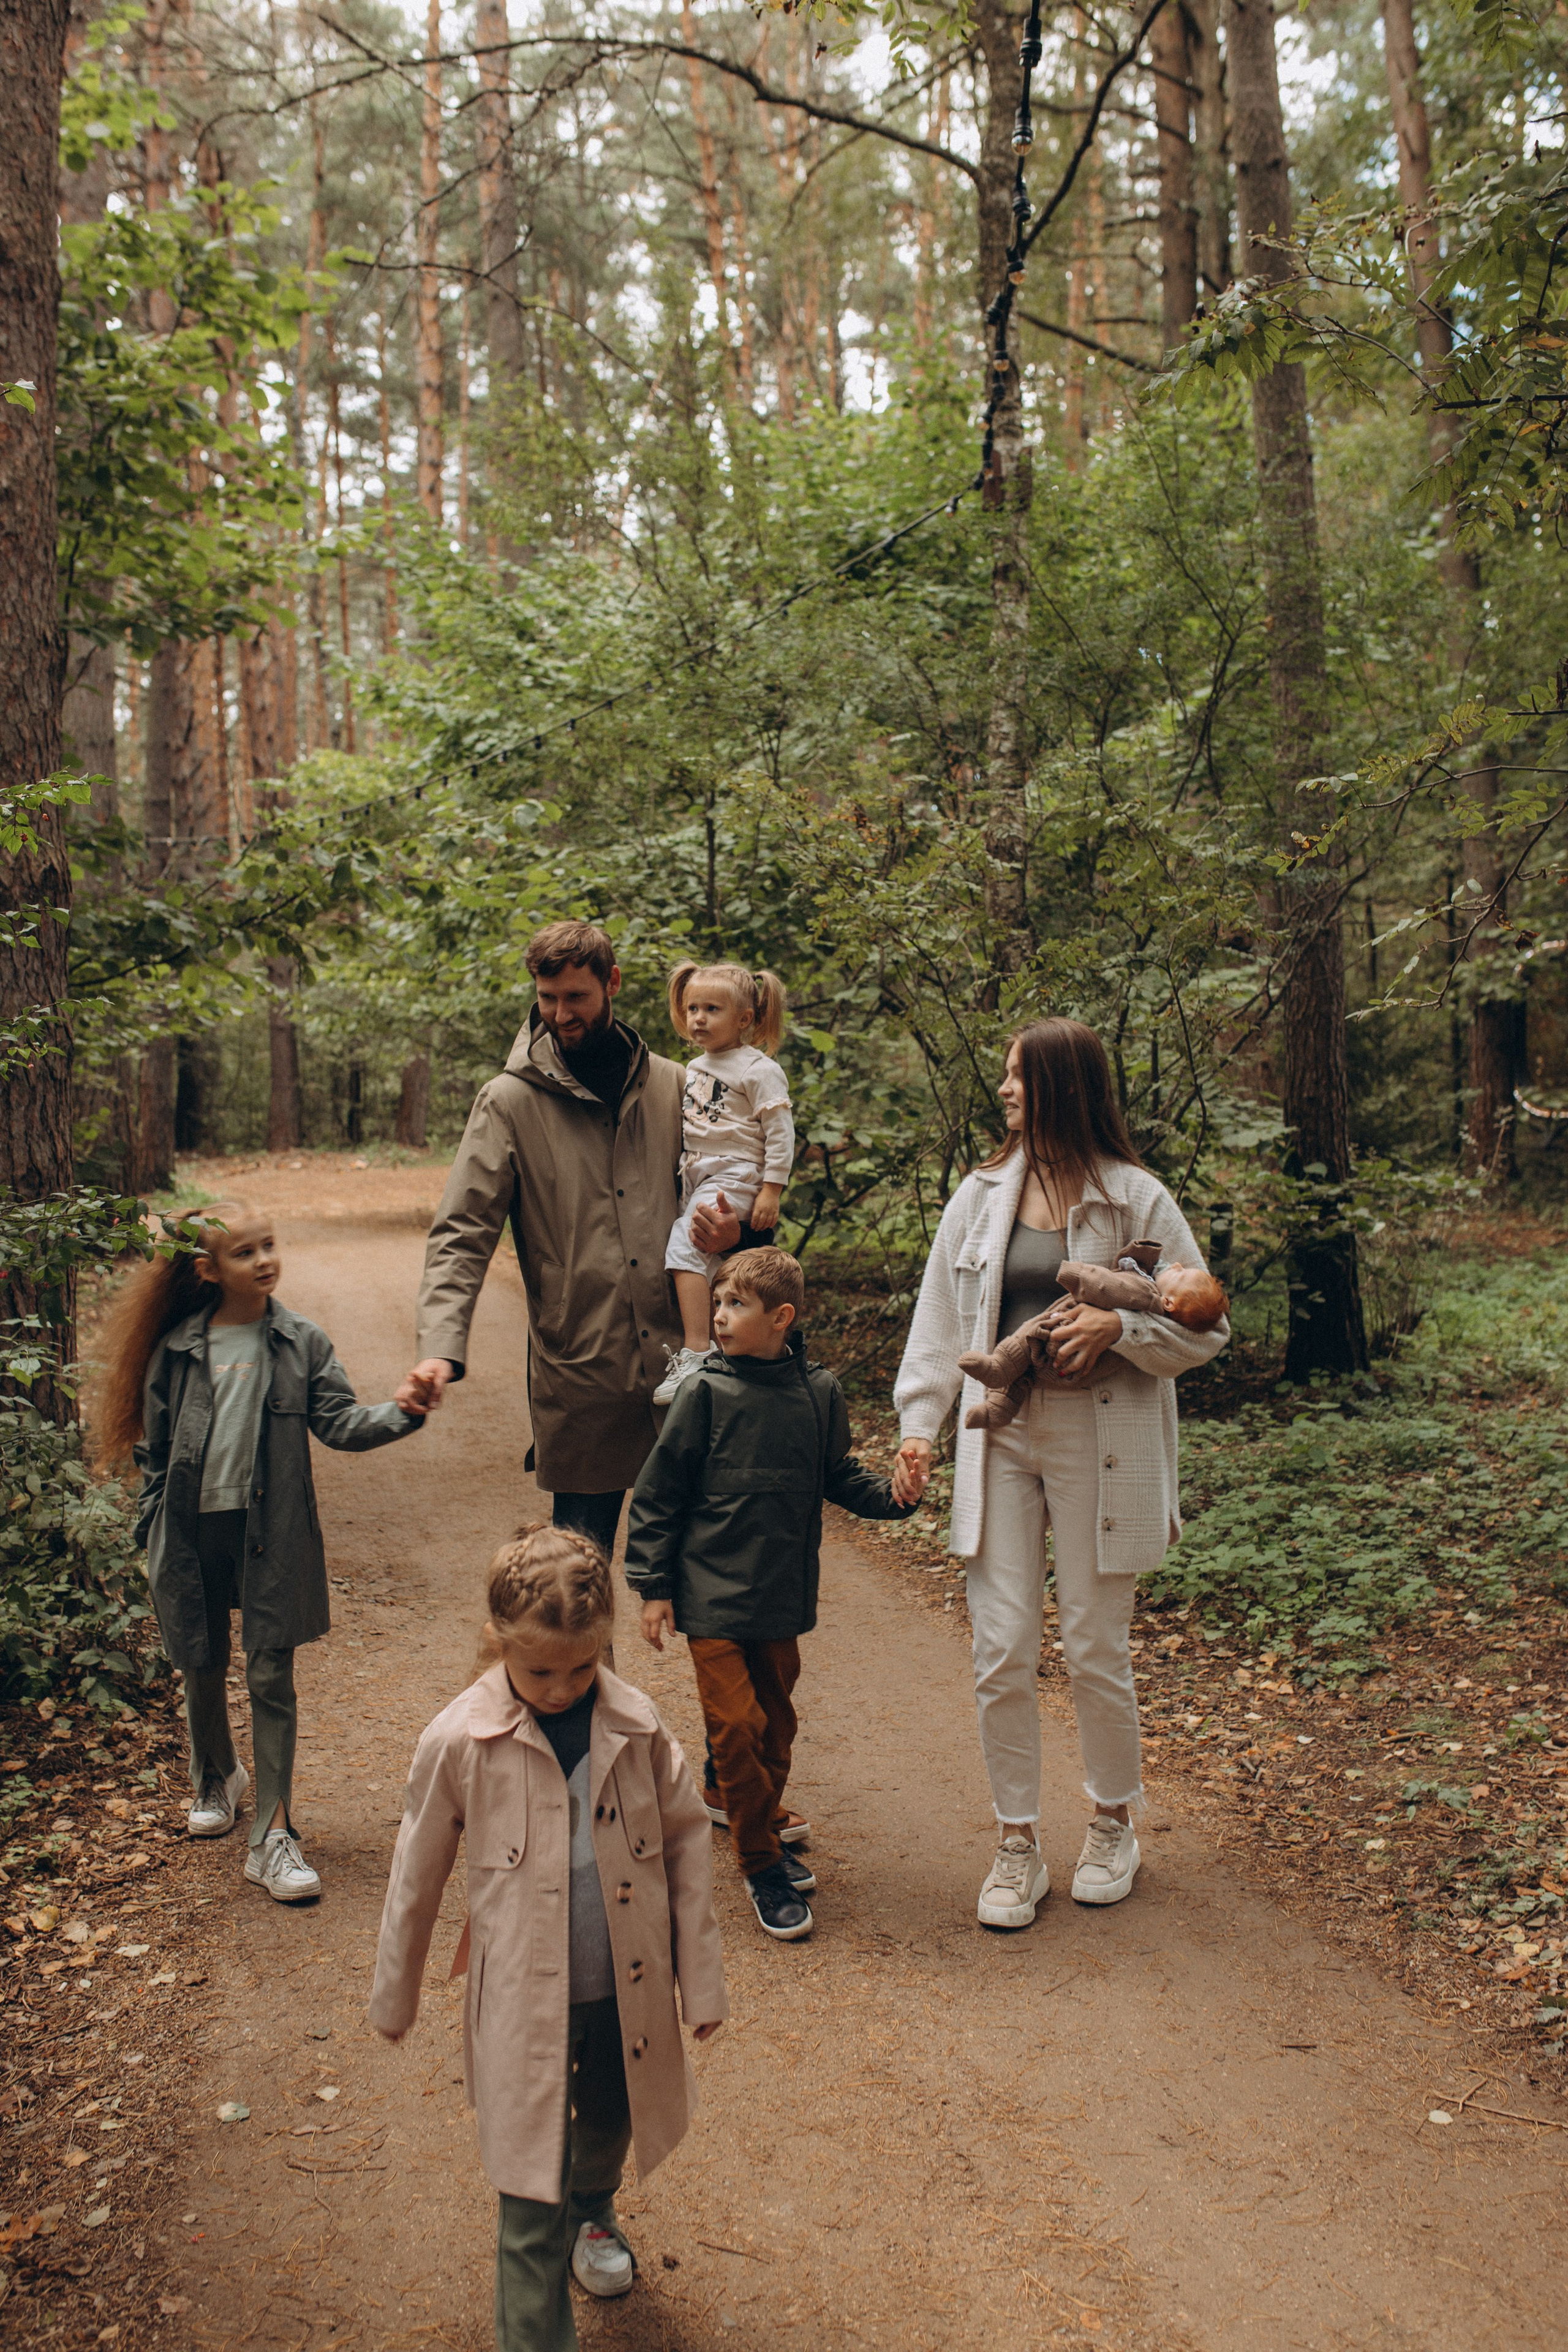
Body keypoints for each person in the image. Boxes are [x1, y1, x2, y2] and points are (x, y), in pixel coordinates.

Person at [892, 1020, 1229, 1931]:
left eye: (1018, 1077)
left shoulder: (1138, 1200)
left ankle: (1114, 1821)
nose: (1005, 1090)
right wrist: (918, 1429)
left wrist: (1123, 1329)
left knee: (1092, 1642)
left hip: (1103, 1437)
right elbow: (939, 1324)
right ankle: (1017, 1841)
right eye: (1004, 1075)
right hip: (1000, 1436)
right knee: (1000, 1644)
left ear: (1063, 1088)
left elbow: (1207, 1325)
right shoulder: (979, 1196)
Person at [368, 1525, 726, 2352]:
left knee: (609, 2122)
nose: (561, 1688)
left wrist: (700, 1985)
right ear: (500, 1645)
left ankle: (594, 2212)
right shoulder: (460, 1740)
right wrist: (397, 1994)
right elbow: (415, 1877)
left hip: (623, 1989)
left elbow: (687, 1853)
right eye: (539, 1671)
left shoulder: (639, 1731)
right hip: (523, 2005)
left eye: (581, 1667)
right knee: (528, 2195)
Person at [94, 1201, 426, 1902]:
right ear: (209, 1271)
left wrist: (404, 1409)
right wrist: (151, 1525)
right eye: (246, 1253)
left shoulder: (300, 1342)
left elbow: (340, 1423)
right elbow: (153, 1453)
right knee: (201, 1662)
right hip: (191, 1533)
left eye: (270, 1245)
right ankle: (217, 1774)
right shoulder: (178, 1349)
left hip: (270, 1533)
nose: (265, 1260)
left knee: (271, 1674)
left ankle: (273, 1835)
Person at [396, 920, 743, 1561]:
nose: (560, 1014)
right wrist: (440, 1346)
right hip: (582, 1371)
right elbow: (462, 1231)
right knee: (575, 1586)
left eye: (576, 997)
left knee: (713, 1584)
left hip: (691, 1367)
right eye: (547, 998)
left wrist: (739, 1227)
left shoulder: (679, 1085)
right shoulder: (507, 1103)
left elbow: (735, 1180)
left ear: (611, 984)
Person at [624, 1247, 920, 1940]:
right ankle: (760, 1862)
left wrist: (897, 1496)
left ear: (780, 1317)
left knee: (776, 1727)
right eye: (718, 1301)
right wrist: (654, 1587)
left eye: (735, 1305)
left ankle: (747, 1812)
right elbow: (659, 1494)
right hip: (710, 1595)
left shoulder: (818, 1393)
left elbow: (840, 1476)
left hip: (780, 1594)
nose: (719, 1316)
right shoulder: (702, 1393)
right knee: (736, 1727)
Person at [653, 959, 796, 1403]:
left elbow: (779, 1130)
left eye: (712, 1009)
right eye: (693, 1008)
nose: (699, 1018)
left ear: (745, 1019)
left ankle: (696, 1350)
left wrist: (772, 1188)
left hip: (736, 1170)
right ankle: (726, 1356)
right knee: (708, 1265)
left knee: (684, 1244)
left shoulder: (757, 1069)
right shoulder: (694, 1066)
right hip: (697, 1171)